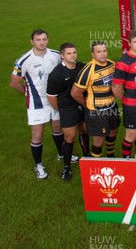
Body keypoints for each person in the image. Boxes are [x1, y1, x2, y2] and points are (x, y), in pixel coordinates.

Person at [10, 29, 71, 180]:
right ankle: (38, 165)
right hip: (36, 103)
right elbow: (14, 83)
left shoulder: (56, 55)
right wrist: (28, 93)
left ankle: (61, 154)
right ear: (32, 42)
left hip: (54, 99)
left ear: (48, 40)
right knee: (38, 134)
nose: (42, 42)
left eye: (44, 39)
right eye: (38, 40)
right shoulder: (23, 60)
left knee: (57, 128)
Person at [46, 42, 88, 181]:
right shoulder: (56, 74)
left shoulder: (82, 67)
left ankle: (87, 159)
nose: (72, 55)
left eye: (74, 52)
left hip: (83, 105)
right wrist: (62, 110)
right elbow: (51, 97)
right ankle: (67, 167)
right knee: (70, 137)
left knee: (84, 130)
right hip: (68, 109)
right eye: (69, 53)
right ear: (62, 55)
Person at [71, 41, 119, 159]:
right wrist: (86, 103)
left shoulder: (112, 65)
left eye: (104, 51)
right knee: (99, 140)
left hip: (112, 107)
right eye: (99, 52)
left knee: (113, 132)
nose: (102, 54)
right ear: (92, 54)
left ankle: (110, 156)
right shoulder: (87, 71)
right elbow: (75, 93)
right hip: (97, 111)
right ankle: (95, 167)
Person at [112, 30, 136, 159]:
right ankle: (126, 161)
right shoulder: (123, 62)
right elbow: (116, 87)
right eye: (135, 42)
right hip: (132, 104)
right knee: (131, 135)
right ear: (129, 43)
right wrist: (125, 99)